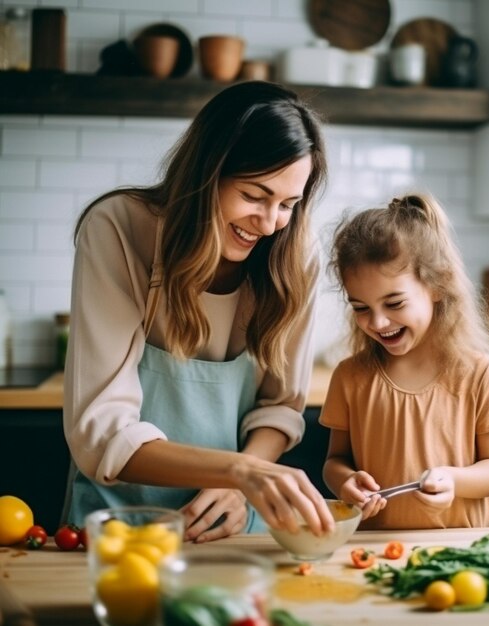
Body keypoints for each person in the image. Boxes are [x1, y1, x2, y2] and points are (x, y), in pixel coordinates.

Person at [63, 81, 335, 542]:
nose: (269, 224)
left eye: (288, 204)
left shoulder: (293, 254)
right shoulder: (120, 228)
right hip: (119, 524)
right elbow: (102, 430)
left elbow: (279, 407)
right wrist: (242, 472)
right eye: (254, 195)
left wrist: (241, 487)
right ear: (208, 172)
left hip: (231, 523)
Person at [321, 194, 489, 530]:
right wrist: (345, 482)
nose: (379, 322)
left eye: (394, 303)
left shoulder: (481, 374)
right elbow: (334, 461)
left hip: (464, 549)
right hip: (378, 551)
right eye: (361, 308)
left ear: (438, 286)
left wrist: (453, 480)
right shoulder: (350, 376)